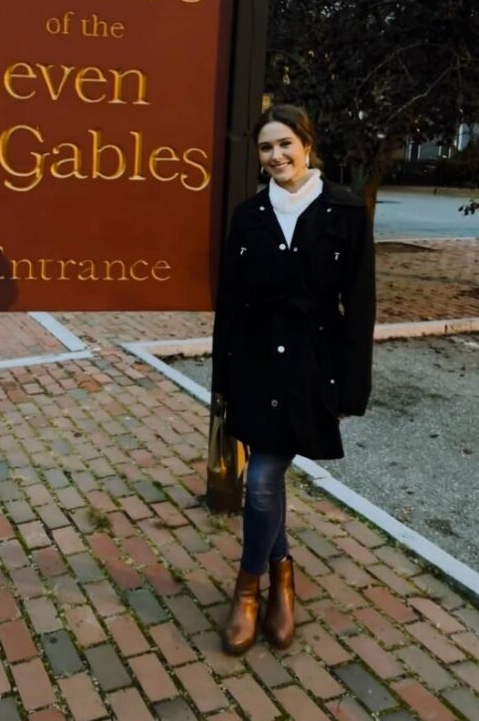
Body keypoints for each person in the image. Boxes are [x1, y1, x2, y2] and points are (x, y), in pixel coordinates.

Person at [212, 103, 375, 654]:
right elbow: (229, 304)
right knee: (263, 481)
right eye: (266, 148)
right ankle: (275, 578)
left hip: (312, 370)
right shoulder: (248, 215)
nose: (276, 156)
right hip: (256, 367)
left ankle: (248, 585)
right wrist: (223, 378)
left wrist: (354, 387)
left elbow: (360, 304)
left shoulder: (346, 212)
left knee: (261, 480)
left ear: (306, 142)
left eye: (285, 143)